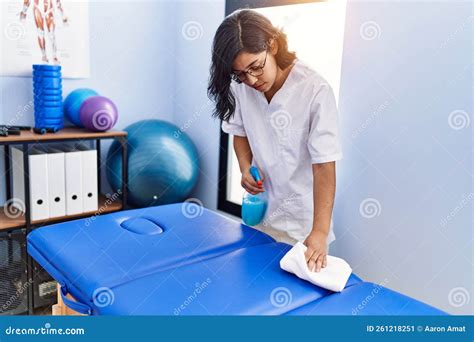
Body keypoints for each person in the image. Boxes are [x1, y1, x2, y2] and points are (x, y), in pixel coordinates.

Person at [208, 9, 343, 273]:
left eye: (256, 67)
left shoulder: (315, 90)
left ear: (273, 44)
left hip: (301, 223)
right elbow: (239, 132)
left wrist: (320, 231)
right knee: (255, 284)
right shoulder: (242, 86)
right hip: (260, 214)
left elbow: (324, 165)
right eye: (241, 74)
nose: (252, 80)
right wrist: (246, 168)